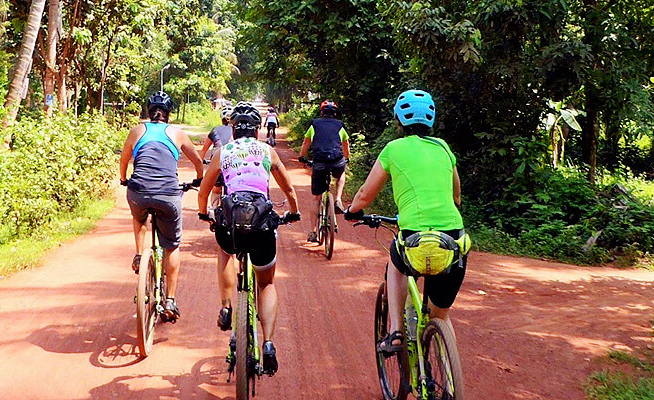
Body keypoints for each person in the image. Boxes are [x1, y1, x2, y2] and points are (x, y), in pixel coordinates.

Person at [344, 89, 468, 353]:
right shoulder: (444, 147)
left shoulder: (393, 149)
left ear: (399, 120)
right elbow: (456, 194)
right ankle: (447, 372)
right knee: (440, 316)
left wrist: (353, 210)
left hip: (414, 238)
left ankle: (396, 331)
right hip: (454, 240)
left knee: (396, 262)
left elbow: (365, 195)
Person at [197, 101, 300, 376]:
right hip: (262, 224)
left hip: (231, 224)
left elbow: (204, 191)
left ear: (232, 128)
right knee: (265, 283)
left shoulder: (223, 151)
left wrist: (202, 213)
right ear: (257, 129)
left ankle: (227, 305)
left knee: (225, 253)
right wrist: (294, 212)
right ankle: (267, 344)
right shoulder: (267, 151)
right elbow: (288, 188)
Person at [119, 91, 204, 321]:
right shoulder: (176, 133)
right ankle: (170, 300)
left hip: (138, 191)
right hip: (168, 194)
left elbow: (124, 160)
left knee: (139, 218)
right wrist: (198, 179)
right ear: (169, 114)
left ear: (148, 112)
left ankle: (139, 255)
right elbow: (197, 161)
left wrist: (124, 179)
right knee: (172, 246)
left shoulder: (138, 130)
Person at [298, 99, 350, 242]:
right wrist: (347, 158)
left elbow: (306, 142)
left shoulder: (314, 124)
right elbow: (345, 144)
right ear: (334, 113)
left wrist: (302, 157)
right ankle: (338, 198)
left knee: (316, 198)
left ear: (321, 112)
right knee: (341, 174)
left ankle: (313, 231)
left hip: (319, 163)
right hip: (336, 161)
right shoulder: (340, 125)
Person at [200, 104, 235, 208]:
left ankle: (214, 212)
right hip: (232, 164)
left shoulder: (215, 130)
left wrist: (201, 161)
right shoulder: (236, 131)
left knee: (216, 189)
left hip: (217, 162)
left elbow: (203, 150)